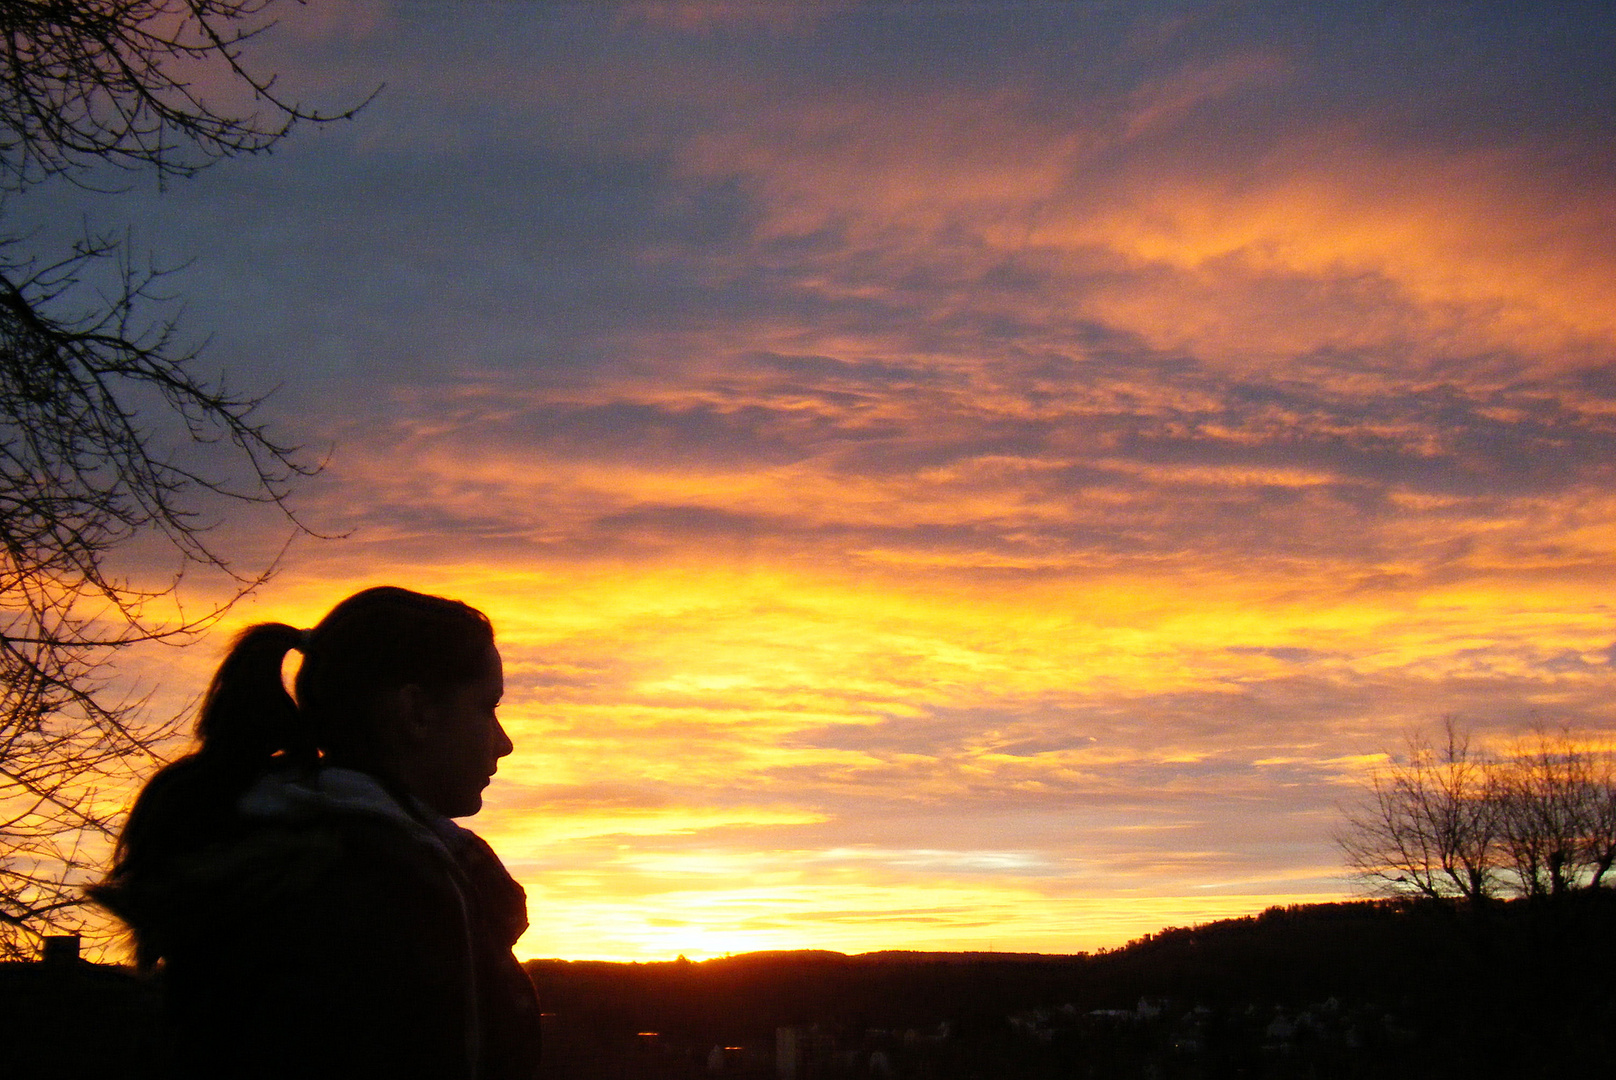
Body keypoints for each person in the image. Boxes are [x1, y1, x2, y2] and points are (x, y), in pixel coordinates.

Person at [93, 586, 542, 1080]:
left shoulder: (296, 861)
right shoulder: (382, 893)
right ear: (416, 712)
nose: (504, 742)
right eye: (487, 706)